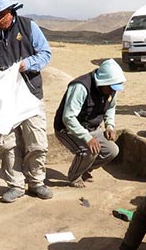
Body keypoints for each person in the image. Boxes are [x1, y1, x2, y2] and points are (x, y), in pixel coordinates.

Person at [0, 0, 53, 203]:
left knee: (36, 141)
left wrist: (25, 64)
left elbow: (46, 54)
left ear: (11, 10)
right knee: (7, 144)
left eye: (1, 14)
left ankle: (37, 182)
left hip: (30, 93)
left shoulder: (29, 27)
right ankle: (16, 185)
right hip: (2, 99)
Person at [54, 59, 126, 187]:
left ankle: (84, 169)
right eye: (110, 88)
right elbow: (68, 117)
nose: (112, 91)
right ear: (102, 82)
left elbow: (110, 107)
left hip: (92, 128)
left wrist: (109, 125)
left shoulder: (111, 89)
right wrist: (87, 138)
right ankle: (74, 177)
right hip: (68, 129)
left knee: (112, 151)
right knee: (89, 151)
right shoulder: (80, 87)